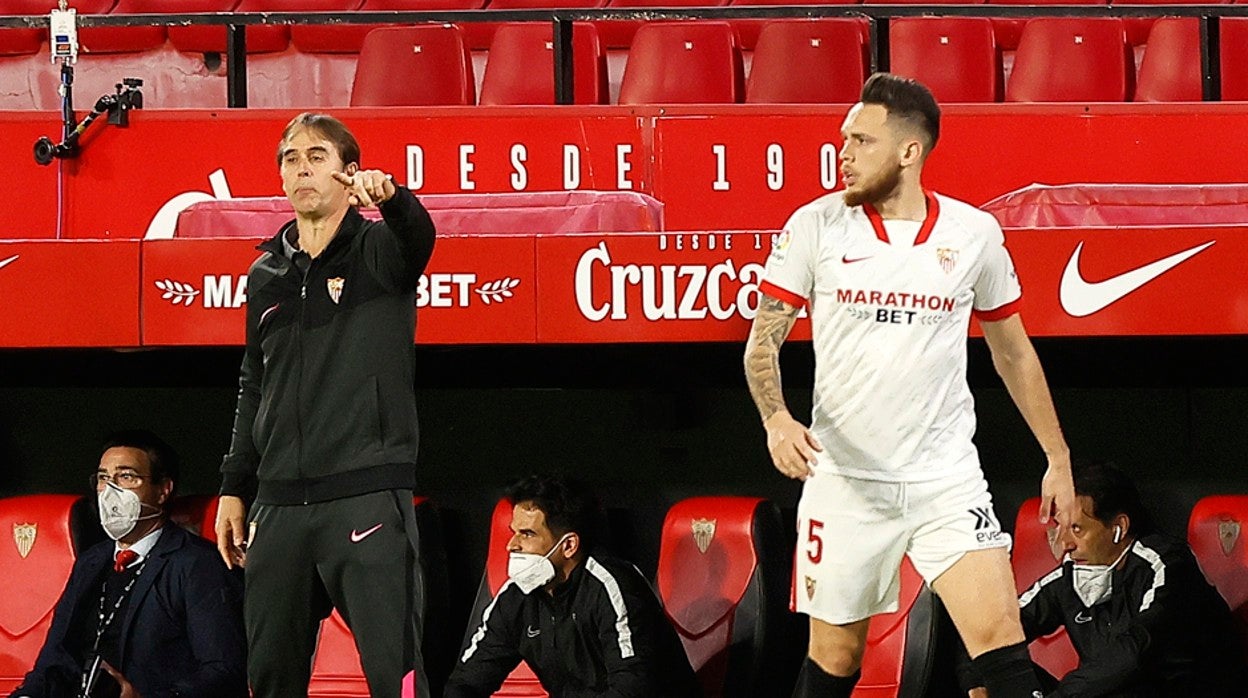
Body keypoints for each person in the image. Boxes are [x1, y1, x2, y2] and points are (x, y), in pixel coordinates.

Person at [743, 73, 1079, 698]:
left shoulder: (973, 234)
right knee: (835, 661)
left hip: (944, 480)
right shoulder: (816, 226)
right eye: (844, 139)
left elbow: (1013, 352)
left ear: (909, 151)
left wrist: (1057, 457)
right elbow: (762, 342)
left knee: (1002, 646)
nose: (843, 153)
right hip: (846, 483)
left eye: (861, 141)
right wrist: (776, 419)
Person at [213, 112, 437, 698]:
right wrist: (235, 485)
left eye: (317, 157)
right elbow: (254, 383)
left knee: (396, 677)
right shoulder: (266, 272)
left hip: (366, 497)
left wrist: (392, 199)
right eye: (291, 159)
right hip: (279, 506)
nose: (302, 169)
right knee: (269, 679)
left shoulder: (379, 251)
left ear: (348, 172)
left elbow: (419, 237)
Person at [960, 462, 1248, 697]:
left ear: (1118, 527)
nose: (1065, 544)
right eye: (1060, 527)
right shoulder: (1070, 576)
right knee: (998, 669)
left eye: (1077, 529)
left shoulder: (1167, 565)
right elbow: (998, 628)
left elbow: (1134, 652)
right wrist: (977, 682)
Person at [10, 430, 247, 698]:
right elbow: (54, 661)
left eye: (126, 477)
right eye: (103, 478)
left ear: (163, 490)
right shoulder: (91, 562)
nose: (110, 491)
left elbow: (224, 671)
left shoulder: (198, 564)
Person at [445, 475, 700, 697]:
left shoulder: (614, 586)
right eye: (514, 532)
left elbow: (633, 687)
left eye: (527, 534)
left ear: (568, 545)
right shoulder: (516, 597)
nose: (512, 544)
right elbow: (467, 681)